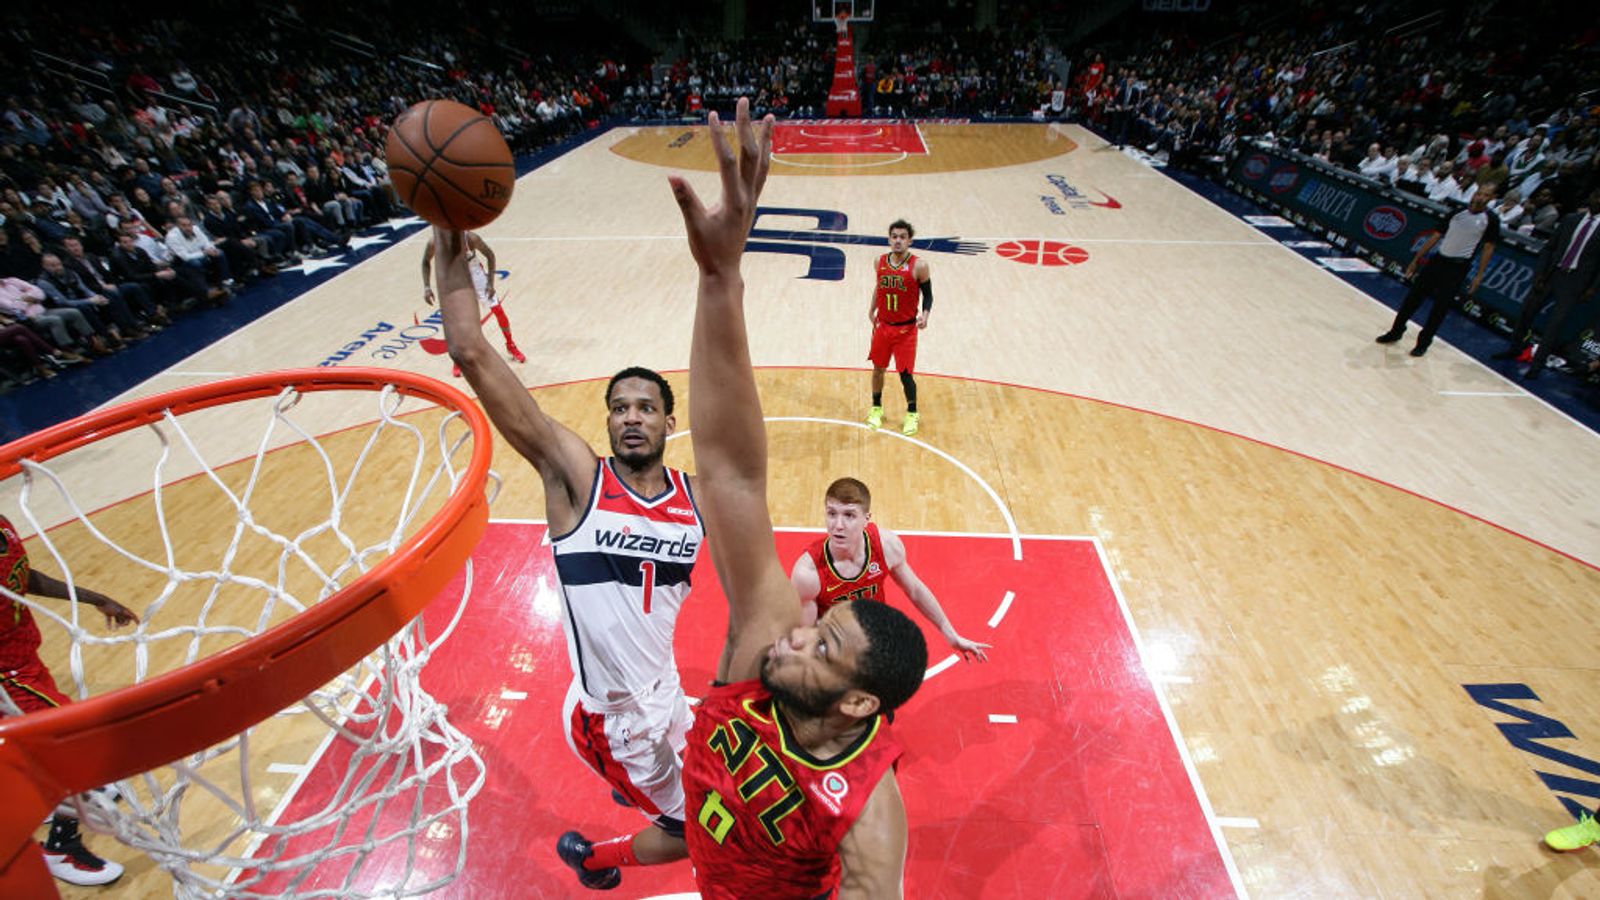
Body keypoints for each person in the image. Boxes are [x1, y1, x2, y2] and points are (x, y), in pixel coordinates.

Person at [667, 97, 928, 899]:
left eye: (819, 646)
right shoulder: (769, 634)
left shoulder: (868, 819)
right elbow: (733, 477)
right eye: (820, 627)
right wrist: (720, 279)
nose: (794, 636)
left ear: (855, 702)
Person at [432, 238, 701, 889]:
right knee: (698, 832)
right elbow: (469, 350)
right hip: (613, 720)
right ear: (607, 422)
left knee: (724, 790)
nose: (631, 417)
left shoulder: (695, 498)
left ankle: (636, 789)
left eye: (645, 407)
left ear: (669, 420)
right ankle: (592, 859)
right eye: (619, 408)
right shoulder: (578, 479)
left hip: (668, 696)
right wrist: (448, 241)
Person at [1, 513, 138, 887]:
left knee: (44, 750)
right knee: (75, 745)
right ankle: (62, 847)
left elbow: (24, 577)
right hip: (7, 677)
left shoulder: (3, 522)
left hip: (27, 660)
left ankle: (45, 798)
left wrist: (96, 598)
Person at [792, 477, 988, 662]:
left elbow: (915, 590)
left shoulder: (886, 546)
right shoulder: (808, 573)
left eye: (849, 515)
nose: (838, 525)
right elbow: (807, 633)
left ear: (866, 519)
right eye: (831, 513)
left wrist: (950, 633)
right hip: (833, 643)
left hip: (873, 632)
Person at [1375, 186, 1499, 357]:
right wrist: (1416, 259)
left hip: (1458, 267)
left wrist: (1479, 275)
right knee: (1412, 299)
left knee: (1440, 308)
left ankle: (1423, 343)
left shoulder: (1490, 220)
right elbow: (1436, 235)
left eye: (1486, 194)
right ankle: (1396, 331)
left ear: (1491, 198)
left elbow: (1488, 247)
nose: (1480, 197)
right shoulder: (1457, 212)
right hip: (1438, 260)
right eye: (1479, 193)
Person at [1494, 189, 1600, 379]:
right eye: (1595, 196)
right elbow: (1549, 248)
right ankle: (1514, 348)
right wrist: (1540, 274)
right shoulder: (1571, 219)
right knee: (1527, 311)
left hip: (1575, 281)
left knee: (1554, 325)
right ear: (1590, 197)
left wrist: (1592, 288)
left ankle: (1537, 365)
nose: (1597, 201)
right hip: (1552, 273)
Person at [421, 232, 523, 377]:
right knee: (458, 322)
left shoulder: (470, 238)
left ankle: (510, 345)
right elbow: (425, 261)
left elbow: (490, 255)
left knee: (498, 311)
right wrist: (426, 287)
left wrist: (490, 283)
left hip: (475, 274)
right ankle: (458, 359)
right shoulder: (435, 242)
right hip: (455, 277)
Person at [865, 220, 933, 436]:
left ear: (909, 240)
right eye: (894, 236)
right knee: (878, 369)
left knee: (905, 375)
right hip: (883, 327)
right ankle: (876, 408)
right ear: (889, 239)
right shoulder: (880, 262)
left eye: (902, 237)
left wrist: (925, 315)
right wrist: (871, 308)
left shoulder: (919, 265)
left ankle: (912, 412)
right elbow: (880, 286)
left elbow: (928, 295)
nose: (898, 240)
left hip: (906, 330)